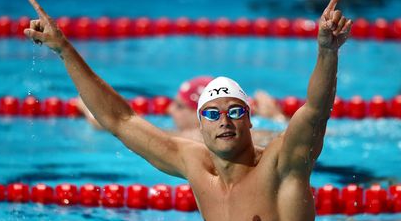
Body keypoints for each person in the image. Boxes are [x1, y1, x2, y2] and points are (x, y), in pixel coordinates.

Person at [24, 0, 352, 221]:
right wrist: (64, 49)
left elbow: (314, 112)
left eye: (235, 111)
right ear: (200, 126)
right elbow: (120, 121)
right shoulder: (195, 165)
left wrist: (327, 51)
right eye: (213, 113)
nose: (224, 120)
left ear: (250, 121)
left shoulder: (282, 165)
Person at [76, 76, 286, 144]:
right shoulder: (251, 132)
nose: (169, 110)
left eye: (178, 105)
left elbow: (121, 125)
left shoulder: (194, 136)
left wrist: (86, 106)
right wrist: (276, 118)